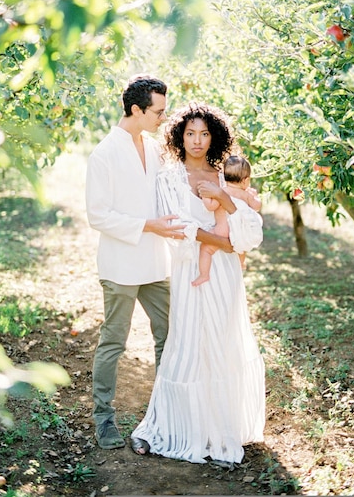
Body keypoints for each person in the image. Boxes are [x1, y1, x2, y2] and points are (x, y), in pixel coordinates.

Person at [131, 102, 265, 468]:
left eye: (204, 134)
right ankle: (171, 427)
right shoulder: (169, 178)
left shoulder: (225, 177)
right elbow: (176, 229)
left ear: (214, 137)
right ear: (179, 136)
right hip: (191, 271)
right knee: (187, 344)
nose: (197, 140)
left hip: (225, 275)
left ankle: (221, 433)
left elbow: (251, 231)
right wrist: (220, 240)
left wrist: (225, 203)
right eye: (190, 133)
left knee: (221, 344)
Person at [85, 74, 186, 450]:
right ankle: (104, 418)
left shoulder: (155, 147)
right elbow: (98, 215)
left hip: (155, 262)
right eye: (158, 111)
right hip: (121, 264)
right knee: (114, 342)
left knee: (170, 335)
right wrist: (149, 226)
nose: (163, 117)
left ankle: (165, 410)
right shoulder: (104, 154)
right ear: (136, 109)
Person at [192, 154, 262, 286]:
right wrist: (255, 196)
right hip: (239, 231)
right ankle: (241, 262)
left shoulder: (221, 192)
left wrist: (205, 196)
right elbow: (257, 207)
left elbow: (210, 206)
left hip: (222, 231)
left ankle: (204, 275)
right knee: (241, 247)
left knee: (206, 249)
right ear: (245, 180)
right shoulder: (246, 195)